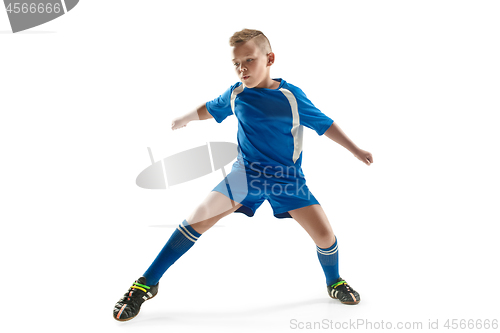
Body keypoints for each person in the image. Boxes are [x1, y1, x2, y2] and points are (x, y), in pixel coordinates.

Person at [113, 29, 373, 322]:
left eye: (249, 60)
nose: (242, 68)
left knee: (325, 236)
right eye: (236, 63)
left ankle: (334, 281)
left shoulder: (291, 96)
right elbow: (212, 107)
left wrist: (355, 149)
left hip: (287, 180)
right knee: (196, 219)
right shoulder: (236, 92)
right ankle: (145, 284)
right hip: (245, 175)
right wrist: (186, 118)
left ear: (270, 58)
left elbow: (325, 124)